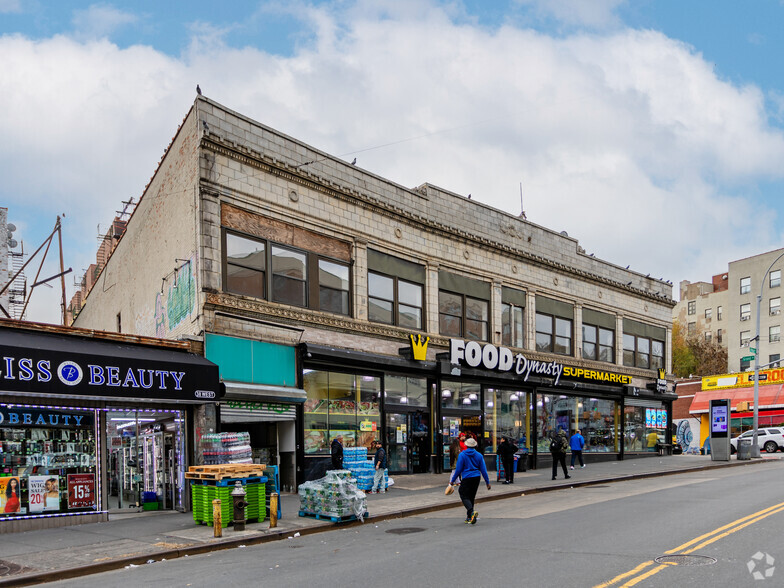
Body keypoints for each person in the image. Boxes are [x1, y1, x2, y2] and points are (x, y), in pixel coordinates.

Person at [448, 437, 490, 524]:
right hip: (476, 477)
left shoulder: (462, 455)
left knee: (463, 494)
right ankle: (469, 517)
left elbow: (458, 469)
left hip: (467, 477)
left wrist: (452, 481)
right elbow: (483, 470)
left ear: (466, 445)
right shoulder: (479, 455)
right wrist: (487, 482)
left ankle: (471, 512)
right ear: (475, 446)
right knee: (471, 496)